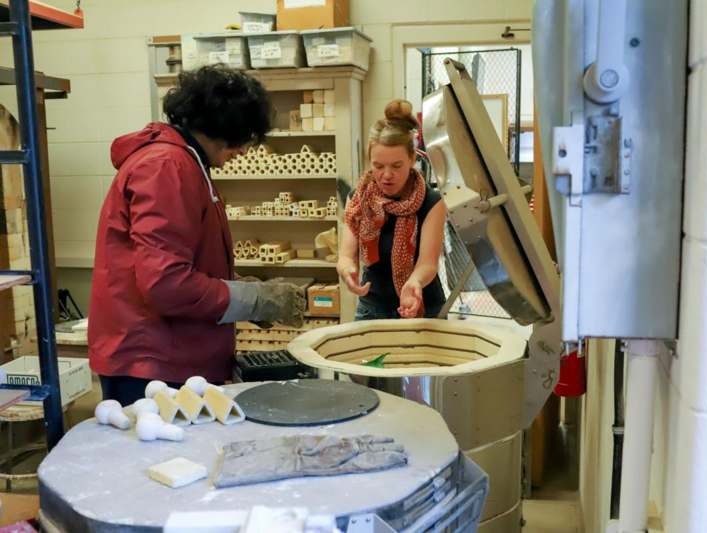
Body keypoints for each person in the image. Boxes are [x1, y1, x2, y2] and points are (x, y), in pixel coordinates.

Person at [89, 65, 305, 405]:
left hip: (169, 355)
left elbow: (182, 261)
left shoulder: (183, 161)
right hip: (153, 366)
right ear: (226, 125)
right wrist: (252, 299)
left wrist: (242, 290)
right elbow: (166, 283)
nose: (244, 152)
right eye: (245, 138)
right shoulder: (166, 166)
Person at [339, 99, 446, 320]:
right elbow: (346, 256)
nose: (387, 175)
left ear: (412, 159)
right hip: (372, 306)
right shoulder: (358, 199)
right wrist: (347, 270)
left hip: (422, 305)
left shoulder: (431, 202)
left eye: (396, 166)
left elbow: (428, 264)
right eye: (378, 166)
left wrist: (415, 282)